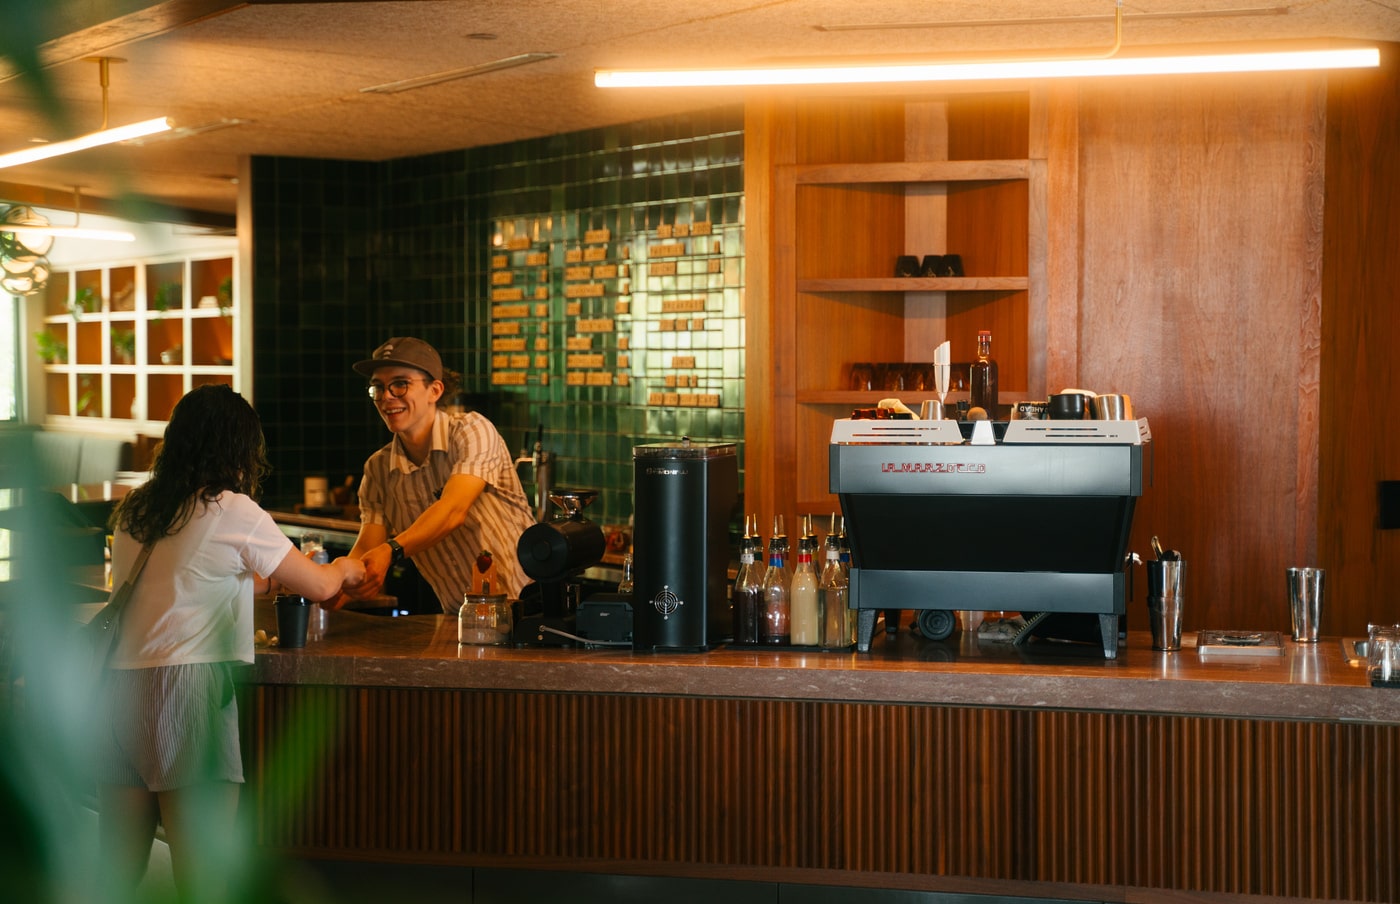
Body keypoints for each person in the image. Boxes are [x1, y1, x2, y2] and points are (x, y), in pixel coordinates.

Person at [97, 384, 365, 904]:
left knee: (117, 871)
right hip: (187, 685)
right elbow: (323, 586)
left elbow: (192, 575)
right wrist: (349, 565)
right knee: (205, 875)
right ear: (240, 447)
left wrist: (263, 578)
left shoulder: (140, 507)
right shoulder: (231, 509)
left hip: (118, 689)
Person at [340, 336, 535, 612]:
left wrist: (391, 550)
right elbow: (366, 552)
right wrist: (326, 585)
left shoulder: (472, 430)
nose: (386, 397)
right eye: (377, 388)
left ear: (435, 390)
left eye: (400, 384)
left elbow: (453, 510)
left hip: (527, 610)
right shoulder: (378, 470)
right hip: (461, 622)